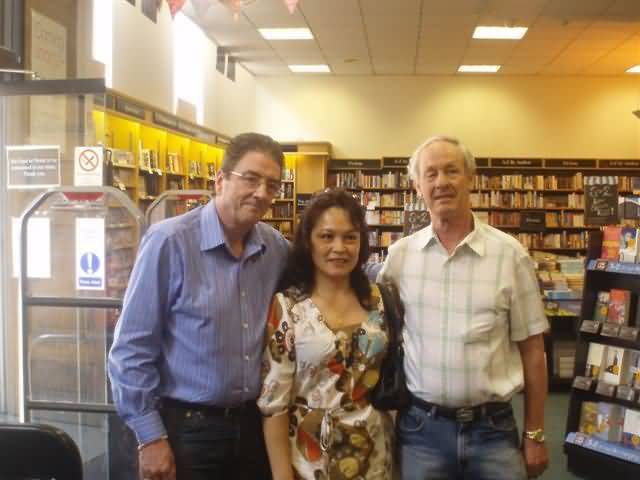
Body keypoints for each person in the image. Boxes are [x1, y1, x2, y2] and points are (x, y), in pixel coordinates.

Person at [108, 132, 290, 480]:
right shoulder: (169, 242)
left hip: (254, 427)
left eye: (272, 184)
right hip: (187, 431)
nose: (262, 193)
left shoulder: (274, 248)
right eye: (251, 179)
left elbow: (325, 274)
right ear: (220, 180)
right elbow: (131, 348)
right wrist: (151, 437)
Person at [378, 135, 549, 480]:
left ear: (471, 178)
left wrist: (535, 434)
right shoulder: (400, 257)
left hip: (493, 431)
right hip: (420, 432)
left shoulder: (510, 255)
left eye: (451, 171)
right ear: (417, 186)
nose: (441, 182)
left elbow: (533, 351)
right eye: (431, 174)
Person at [258, 189, 393, 480]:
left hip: (374, 455)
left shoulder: (379, 300)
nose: (339, 247)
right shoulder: (287, 307)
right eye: (327, 236)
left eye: (350, 237)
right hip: (309, 460)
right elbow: (274, 406)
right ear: (309, 242)